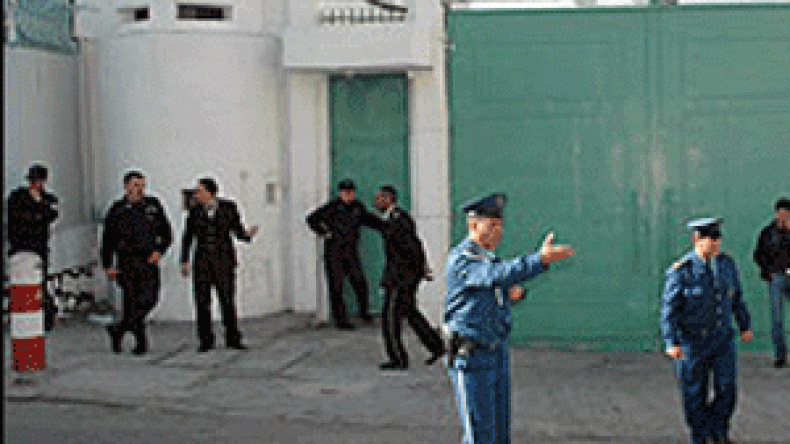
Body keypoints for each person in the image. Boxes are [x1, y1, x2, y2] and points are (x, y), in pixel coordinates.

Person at [444, 193, 575, 444]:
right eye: (491, 226)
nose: (498, 232)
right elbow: (496, 275)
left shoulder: (487, 258)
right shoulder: (463, 259)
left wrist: (507, 295)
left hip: (496, 352)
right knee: (480, 435)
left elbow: (491, 286)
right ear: (473, 225)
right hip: (472, 356)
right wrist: (540, 260)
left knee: (499, 433)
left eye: (500, 226)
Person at [660, 218, 753, 444]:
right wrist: (672, 342)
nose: (715, 243)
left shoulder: (726, 265)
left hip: (722, 340)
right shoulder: (682, 271)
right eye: (710, 239)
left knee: (727, 389)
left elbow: (736, 299)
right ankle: (700, 436)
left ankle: (719, 431)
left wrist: (744, 325)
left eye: (717, 239)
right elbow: (669, 309)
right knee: (694, 393)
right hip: (693, 342)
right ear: (697, 240)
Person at [180, 177, 258, 352]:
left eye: (200, 190)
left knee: (227, 302)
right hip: (202, 263)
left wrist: (247, 235)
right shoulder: (194, 211)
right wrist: (184, 260)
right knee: (202, 303)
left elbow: (237, 230)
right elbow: (188, 236)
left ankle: (233, 337)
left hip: (224, 262)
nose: (197, 194)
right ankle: (206, 340)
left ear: (210, 192)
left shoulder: (228, 207)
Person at [372, 185, 444, 371]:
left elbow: (413, 245)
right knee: (410, 312)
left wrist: (420, 268)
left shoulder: (399, 219)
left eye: (380, 198)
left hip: (400, 277)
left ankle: (398, 358)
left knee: (390, 318)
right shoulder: (392, 219)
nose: (376, 202)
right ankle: (437, 346)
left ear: (389, 199)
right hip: (404, 275)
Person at [101, 171, 173, 355]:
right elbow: (107, 240)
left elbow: (166, 233)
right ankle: (141, 344)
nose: (140, 189)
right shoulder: (117, 209)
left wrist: (159, 250)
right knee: (132, 302)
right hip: (126, 262)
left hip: (148, 260)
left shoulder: (153, 206)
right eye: (136, 186)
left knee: (150, 299)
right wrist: (108, 265)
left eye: (142, 186)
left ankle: (119, 329)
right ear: (126, 187)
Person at [306, 179, 383, 330]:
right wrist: (324, 232)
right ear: (340, 193)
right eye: (346, 192)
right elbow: (311, 219)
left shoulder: (357, 207)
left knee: (360, 283)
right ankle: (341, 320)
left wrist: (385, 226)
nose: (349, 195)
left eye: (351, 192)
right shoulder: (332, 207)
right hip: (334, 252)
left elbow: (369, 219)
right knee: (336, 287)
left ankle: (365, 314)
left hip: (351, 251)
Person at [6, 164, 59, 331]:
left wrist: (38, 205)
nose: (36, 185)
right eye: (34, 181)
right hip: (20, 247)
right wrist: (37, 213)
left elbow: (51, 215)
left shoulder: (48, 199)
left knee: (40, 283)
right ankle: (22, 317)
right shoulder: (17, 197)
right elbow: (18, 218)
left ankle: (45, 318)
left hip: (39, 248)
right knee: (21, 284)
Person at [753, 198, 790, 368]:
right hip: (776, 277)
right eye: (780, 214)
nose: (783, 217)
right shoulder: (767, 233)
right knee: (777, 319)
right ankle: (780, 355)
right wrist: (768, 270)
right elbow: (758, 254)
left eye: (786, 214)